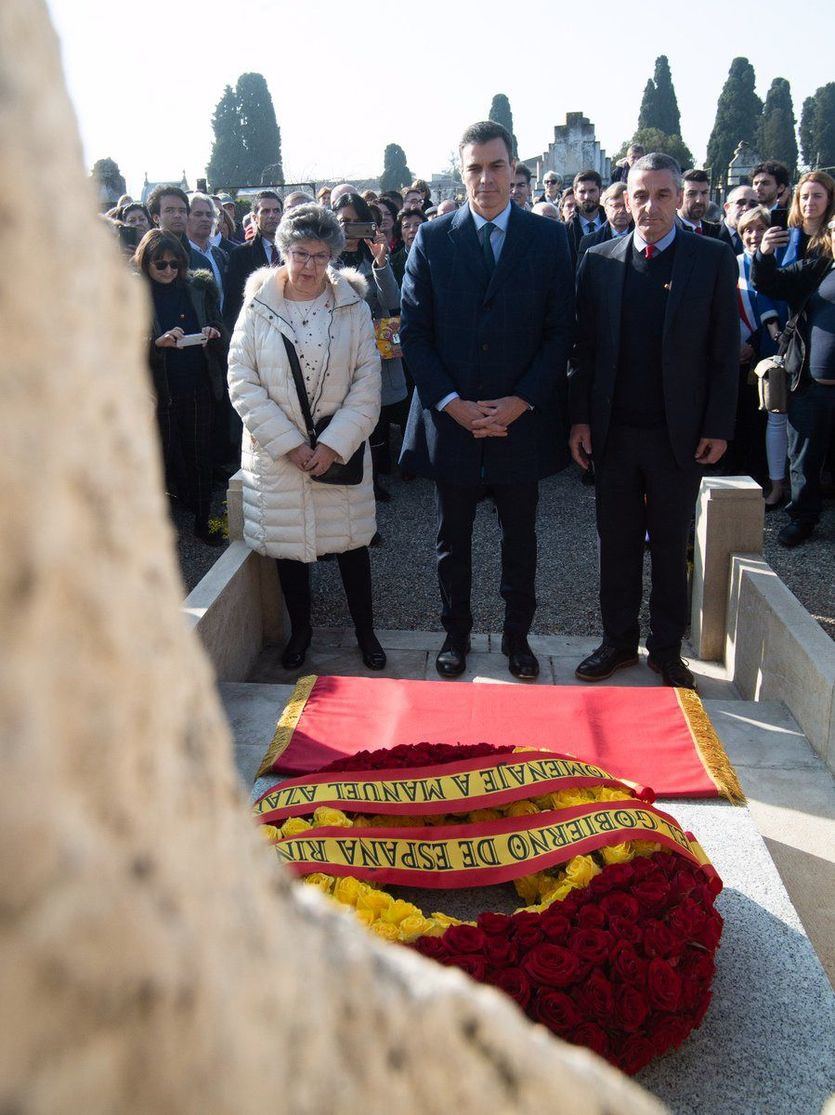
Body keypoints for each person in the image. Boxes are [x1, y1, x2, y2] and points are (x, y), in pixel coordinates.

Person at [400, 120, 575, 681]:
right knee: (453, 543)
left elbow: (560, 332)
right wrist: (451, 403)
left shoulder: (548, 239)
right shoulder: (432, 238)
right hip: (453, 423)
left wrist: (521, 401)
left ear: (515, 170)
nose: (486, 178)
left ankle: (517, 641)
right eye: (474, 167)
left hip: (518, 424)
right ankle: (455, 637)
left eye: (496, 166)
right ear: (461, 173)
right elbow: (415, 333)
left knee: (520, 541)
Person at [570, 153, 738, 691]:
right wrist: (580, 420)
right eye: (639, 195)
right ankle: (617, 641)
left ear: (680, 198)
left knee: (670, 546)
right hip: (615, 433)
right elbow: (585, 351)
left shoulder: (711, 258)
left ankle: (667, 650)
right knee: (615, 543)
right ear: (625, 198)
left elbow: (722, 350)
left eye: (662, 195)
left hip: (679, 436)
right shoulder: (599, 260)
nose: (650, 207)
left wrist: (717, 424)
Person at [227, 204, 385, 669]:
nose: (309, 266)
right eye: (300, 253)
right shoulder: (257, 307)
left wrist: (336, 443)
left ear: (333, 256)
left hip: (339, 449)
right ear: (283, 252)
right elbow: (242, 378)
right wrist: (289, 444)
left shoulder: (353, 305)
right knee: (290, 553)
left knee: (353, 547)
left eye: (320, 255)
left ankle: (366, 633)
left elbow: (366, 381)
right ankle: (301, 634)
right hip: (280, 456)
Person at [751, 173, 835, 547]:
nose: (809, 203)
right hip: (810, 375)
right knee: (804, 451)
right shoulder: (817, 259)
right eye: (805, 197)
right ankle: (802, 516)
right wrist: (764, 255)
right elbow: (773, 284)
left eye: (818, 197)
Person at [134, 229, 227, 547]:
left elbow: (220, 325)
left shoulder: (197, 288)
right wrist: (155, 343)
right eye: (161, 264)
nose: (169, 270)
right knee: (159, 460)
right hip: (156, 390)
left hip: (197, 383)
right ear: (146, 262)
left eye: (175, 264)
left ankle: (205, 520)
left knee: (201, 455)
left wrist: (212, 332)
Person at [332, 192, 407, 503]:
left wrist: (380, 262)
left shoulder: (373, 257)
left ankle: (372, 481)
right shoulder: (323, 257)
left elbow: (393, 302)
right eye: (342, 222)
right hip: (336, 354)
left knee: (372, 417)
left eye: (354, 221)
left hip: (374, 350)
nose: (348, 228)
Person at [730, 206, 788, 496]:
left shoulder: (782, 263)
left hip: (767, 349)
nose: (754, 235)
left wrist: (753, 343)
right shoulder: (733, 264)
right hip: (737, 355)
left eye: (760, 228)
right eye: (747, 230)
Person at [223, 191, 284, 329]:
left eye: (276, 211)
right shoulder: (240, 255)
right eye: (265, 211)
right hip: (255, 329)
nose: (272, 216)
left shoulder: (296, 252)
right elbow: (234, 302)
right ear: (255, 217)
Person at [576, 182, 632, 267]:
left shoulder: (645, 238)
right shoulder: (590, 241)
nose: (621, 210)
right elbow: (583, 277)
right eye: (616, 206)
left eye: (626, 205)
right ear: (606, 209)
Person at [187, 193, 227, 307]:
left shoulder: (220, 254)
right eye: (198, 214)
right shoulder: (180, 255)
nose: (205, 219)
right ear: (186, 217)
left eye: (209, 215)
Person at [566, 170, 604, 263]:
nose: (587, 196)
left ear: (601, 191)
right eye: (582, 192)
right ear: (575, 194)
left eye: (592, 191)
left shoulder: (612, 225)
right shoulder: (565, 230)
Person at [677, 170, 720, 236]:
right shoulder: (667, 231)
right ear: (679, 196)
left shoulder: (716, 233)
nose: (699, 200)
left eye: (704, 193)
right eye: (692, 194)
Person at [719, 186, 758, 255]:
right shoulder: (711, 233)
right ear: (727, 208)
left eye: (753, 205)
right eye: (741, 203)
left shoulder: (760, 237)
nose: (746, 208)